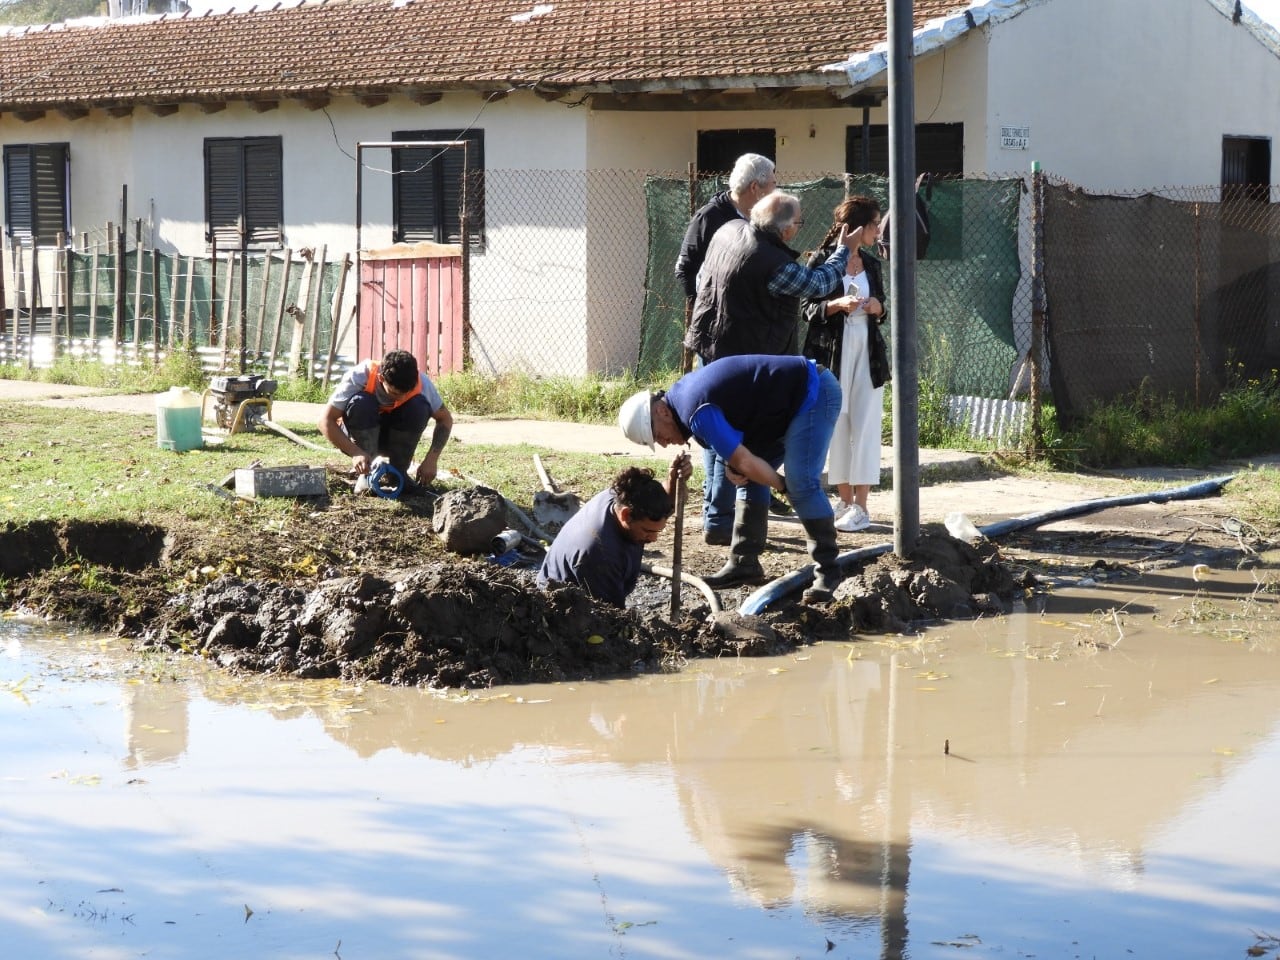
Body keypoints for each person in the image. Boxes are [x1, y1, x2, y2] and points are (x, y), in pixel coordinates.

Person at [684, 190, 861, 546]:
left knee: (722, 441)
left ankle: (721, 525)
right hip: (749, 363)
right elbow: (817, 285)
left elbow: (701, 278)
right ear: (786, 230)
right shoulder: (773, 263)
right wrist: (844, 251)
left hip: (711, 345)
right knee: (749, 448)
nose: (799, 228)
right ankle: (737, 530)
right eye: (798, 222)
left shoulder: (729, 231)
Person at [617, 354, 845, 604]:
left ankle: (830, 571)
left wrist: (782, 487)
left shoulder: (694, 409)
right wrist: (732, 463)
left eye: (657, 436)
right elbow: (736, 434)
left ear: (662, 412)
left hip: (812, 392)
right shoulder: (683, 404)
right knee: (749, 475)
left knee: (801, 482)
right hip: (778, 408)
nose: (663, 443)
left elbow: (745, 460)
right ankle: (744, 563)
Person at [802, 196, 888, 533]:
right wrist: (835, 305)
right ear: (858, 228)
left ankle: (862, 506)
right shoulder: (821, 261)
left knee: (866, 425)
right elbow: (807, 309)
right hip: (832, 354)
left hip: (867, 353)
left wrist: (877, 308)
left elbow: (884, 311)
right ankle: (845, 499)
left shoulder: (873, 264)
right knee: (836, 422)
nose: (878, 229)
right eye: (874, 223)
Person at [538, 455, 692, 609]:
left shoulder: (623, 495)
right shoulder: (600, 554)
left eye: (658, 531)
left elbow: (664, 504)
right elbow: (612, 617)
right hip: (559, 608)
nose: (654, 538)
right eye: (647, 531)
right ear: (625, 515)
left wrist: (674, 480)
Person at [319, 349, 453, 493]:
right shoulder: (360, 376)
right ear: (381, 378)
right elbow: (325, 421)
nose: (401, 398)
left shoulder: (422, 383)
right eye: (395, 393)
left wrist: (432, 460)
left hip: (394, 440)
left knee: (418, 406)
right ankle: (366, 473)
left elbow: (445, 420)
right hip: (358, 438)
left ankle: (398, 472)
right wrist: (355, 452)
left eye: (406, 393)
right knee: (362, 403)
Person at [674, 153, 777, 306]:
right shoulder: (708, 217)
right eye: (773, 184)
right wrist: (707, 310)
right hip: (718, 322)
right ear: (755, 187)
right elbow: (685, 269)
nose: (775, 191)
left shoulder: (764, 218)